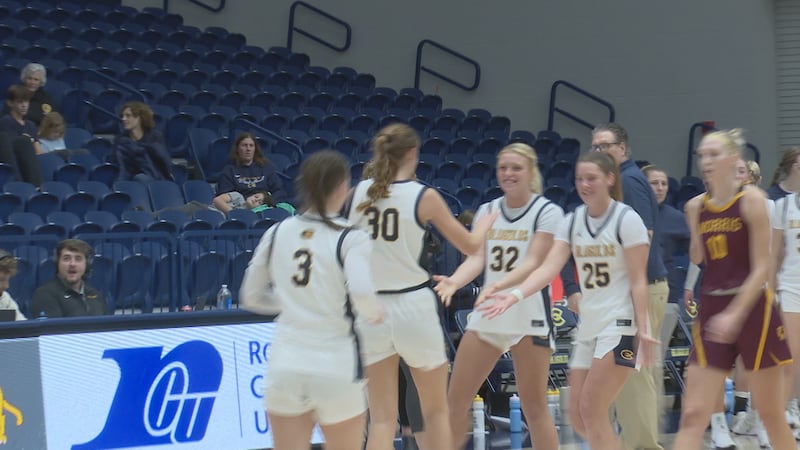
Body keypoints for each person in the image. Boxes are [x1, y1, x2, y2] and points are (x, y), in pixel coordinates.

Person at [480, 151, 656, 450]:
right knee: (576, 415)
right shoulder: (573, 220)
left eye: (592, 178)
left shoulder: (627, 219)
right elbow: (548, 268)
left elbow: (639, 280)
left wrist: (645, 329)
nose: (584, 185)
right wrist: (514, 294)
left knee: (592, 408)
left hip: (620, 323)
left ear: (610, 179)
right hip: (588, 325)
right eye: (579, 179)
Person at [346, 123, 497, 450]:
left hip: (371, 309)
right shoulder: (423, 195)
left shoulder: (357, 193)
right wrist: (484, 224)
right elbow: (470, 246)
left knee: (382, 420)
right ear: (413, 153)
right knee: (435, 413)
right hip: (412, 306)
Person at [240, 150, 385, 450]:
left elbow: (250, 296)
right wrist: (375, 312)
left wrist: (293, 302)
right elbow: (361, 293)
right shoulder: (351, 237)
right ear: (343, 187)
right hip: (336, 365)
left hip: (286, 365)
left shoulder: (276, 232)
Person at [432, 143, 562, 450]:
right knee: (455, 401)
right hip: (490, 312)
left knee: (534, 407)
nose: (508, 173)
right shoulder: (488, 210)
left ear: (531, 171)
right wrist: (454, 281)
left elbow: (535, 262)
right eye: (503, 168)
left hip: (528, 313)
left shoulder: (548, 212)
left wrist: (504, 287)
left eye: (516, 168)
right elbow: (477, 258)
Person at [671, 129, 794, 450]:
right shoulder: (697, 207)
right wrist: (693, 221)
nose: (706, 161)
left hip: (753, 309)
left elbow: (763, 266)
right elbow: (698, 258)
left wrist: (735, 314)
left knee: (771, 416)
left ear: (733, 159)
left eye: (714, 154)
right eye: (702, 155)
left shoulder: (752, 200)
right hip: (712, 306)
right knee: (693, 415)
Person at [591, 122, 669, 450]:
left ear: (622, 148)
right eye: (595, 147)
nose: (599, 151)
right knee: (631, 371)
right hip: (634, 287)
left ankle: (643, 446)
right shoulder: (618, 181)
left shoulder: (631, 181)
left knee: (632, 372)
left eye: (605, 146)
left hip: (640, 287)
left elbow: (643, 238)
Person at [31, 239, 106, 318]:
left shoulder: (95, 294)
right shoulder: (44, 294)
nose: (72, 264)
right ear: (57, 263)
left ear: (86, 265)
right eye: (66, 258)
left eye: (78, 259)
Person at [214, 133, 288, 210]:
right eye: (244, 145)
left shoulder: (266, 168)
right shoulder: (229, 171)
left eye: (251, 145)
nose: (248, 149)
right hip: (242, 208)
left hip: (266, 206)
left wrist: (266, 198)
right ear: (237, 149)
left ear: (255, 149)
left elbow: (280, 191)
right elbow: (225, 197)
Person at [111, 101, 172, 183]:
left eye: (128, 116)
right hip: (129, 177)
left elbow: (162, 161)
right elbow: (119, 163)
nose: (123, 119)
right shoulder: (120, 139)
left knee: (141, 178)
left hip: (153, 177)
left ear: (139, 118)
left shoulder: (155, 136)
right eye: (122, 116)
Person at [0, 84, 44, 186]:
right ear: (10, 103)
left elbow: (38, 151)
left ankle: (38, 187)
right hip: (17, 162)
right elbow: (9, 150)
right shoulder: (6, 121)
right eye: (20, 102)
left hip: (30, 160)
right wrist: (28, 141)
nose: (24, 105)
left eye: (26, 101)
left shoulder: (31, 125)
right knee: (24, 142)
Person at [0, 250, 26, 321]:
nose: (6, 286)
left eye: (8, 280)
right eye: (1, 280)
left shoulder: (5, 298)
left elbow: (23, 325)